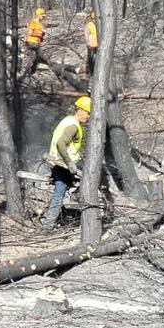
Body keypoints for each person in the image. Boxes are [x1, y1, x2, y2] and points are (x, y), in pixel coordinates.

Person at [42, 95, 91, 229]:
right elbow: (60, 143)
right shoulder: (73, 126)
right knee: (59, 192)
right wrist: (69, 163)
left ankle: (67, 214)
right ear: (80, 110)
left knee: (67, 189)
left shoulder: (68, 120)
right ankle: (49, 224)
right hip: (63, 165)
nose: (88, 117)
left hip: (60, 162)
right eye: (88, 113)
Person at [24, 7, 45, 74]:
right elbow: (29, 33)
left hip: (36, 43)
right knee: (35, 57)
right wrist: (39, 34)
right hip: (31, 43)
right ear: (38, 15)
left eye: (44, 16)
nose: (44, 17)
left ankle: (31, 73)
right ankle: (28, 72)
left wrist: (42, 35)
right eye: (42, 16)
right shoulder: (33, 22)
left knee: (35, 58)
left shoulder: (39, 23)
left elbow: (40, 33)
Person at [85, 10, 98, 75]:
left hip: (98, 43)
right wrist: (88, 42)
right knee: (91, 58)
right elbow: (86, 33)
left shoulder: (98, 22)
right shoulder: (89, 24)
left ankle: (95, 70)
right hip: (91, 43)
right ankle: (91, 71)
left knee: (97, 57)